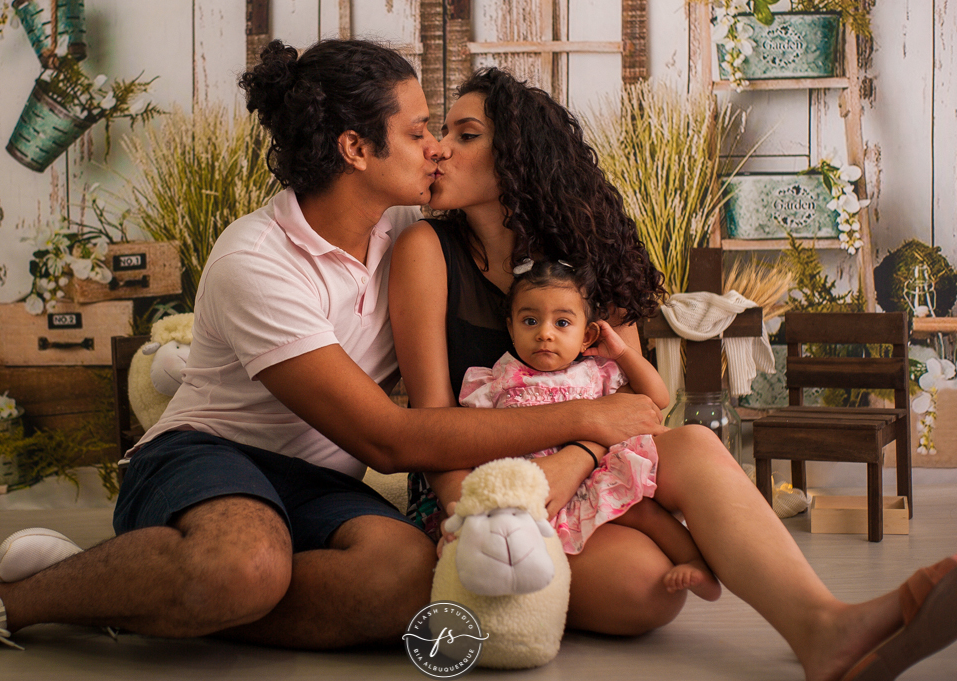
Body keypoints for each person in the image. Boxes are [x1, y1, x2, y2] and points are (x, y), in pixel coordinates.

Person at [0, 39, 666, 657]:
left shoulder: (403, 232)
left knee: (405, 580)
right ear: (356, 147)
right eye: (418, 131)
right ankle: (7, 601)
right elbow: (386, 440)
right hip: (208, 453)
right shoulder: (256, 260)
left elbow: (521, 228)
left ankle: (134, 588)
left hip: (317, 482)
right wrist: (585, 419)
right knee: (245, 564)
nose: (436, 147)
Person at [388, 66, 957, 681]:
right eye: (441, 131)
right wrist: (475, 517)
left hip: (586, 467)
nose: (439, 148)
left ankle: (825, 626)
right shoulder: (426, 251)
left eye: (465, 134)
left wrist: (576, 457)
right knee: (647, 592)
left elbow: (639, 404)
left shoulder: (583, 253)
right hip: (479, 487)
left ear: (519, 158)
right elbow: (431, 428)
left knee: (695, 442)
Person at [454, 258, 721, 601]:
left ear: (587, 335)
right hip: (534, 486)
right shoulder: (496, 379)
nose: (545, 333)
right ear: (511, 328)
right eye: (530, 321)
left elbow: (658, 396)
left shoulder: (596, 372)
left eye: (562, 322)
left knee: (643, 512)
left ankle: (695, 562)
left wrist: (622, 352)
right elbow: (476, 436)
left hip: (593, 475)